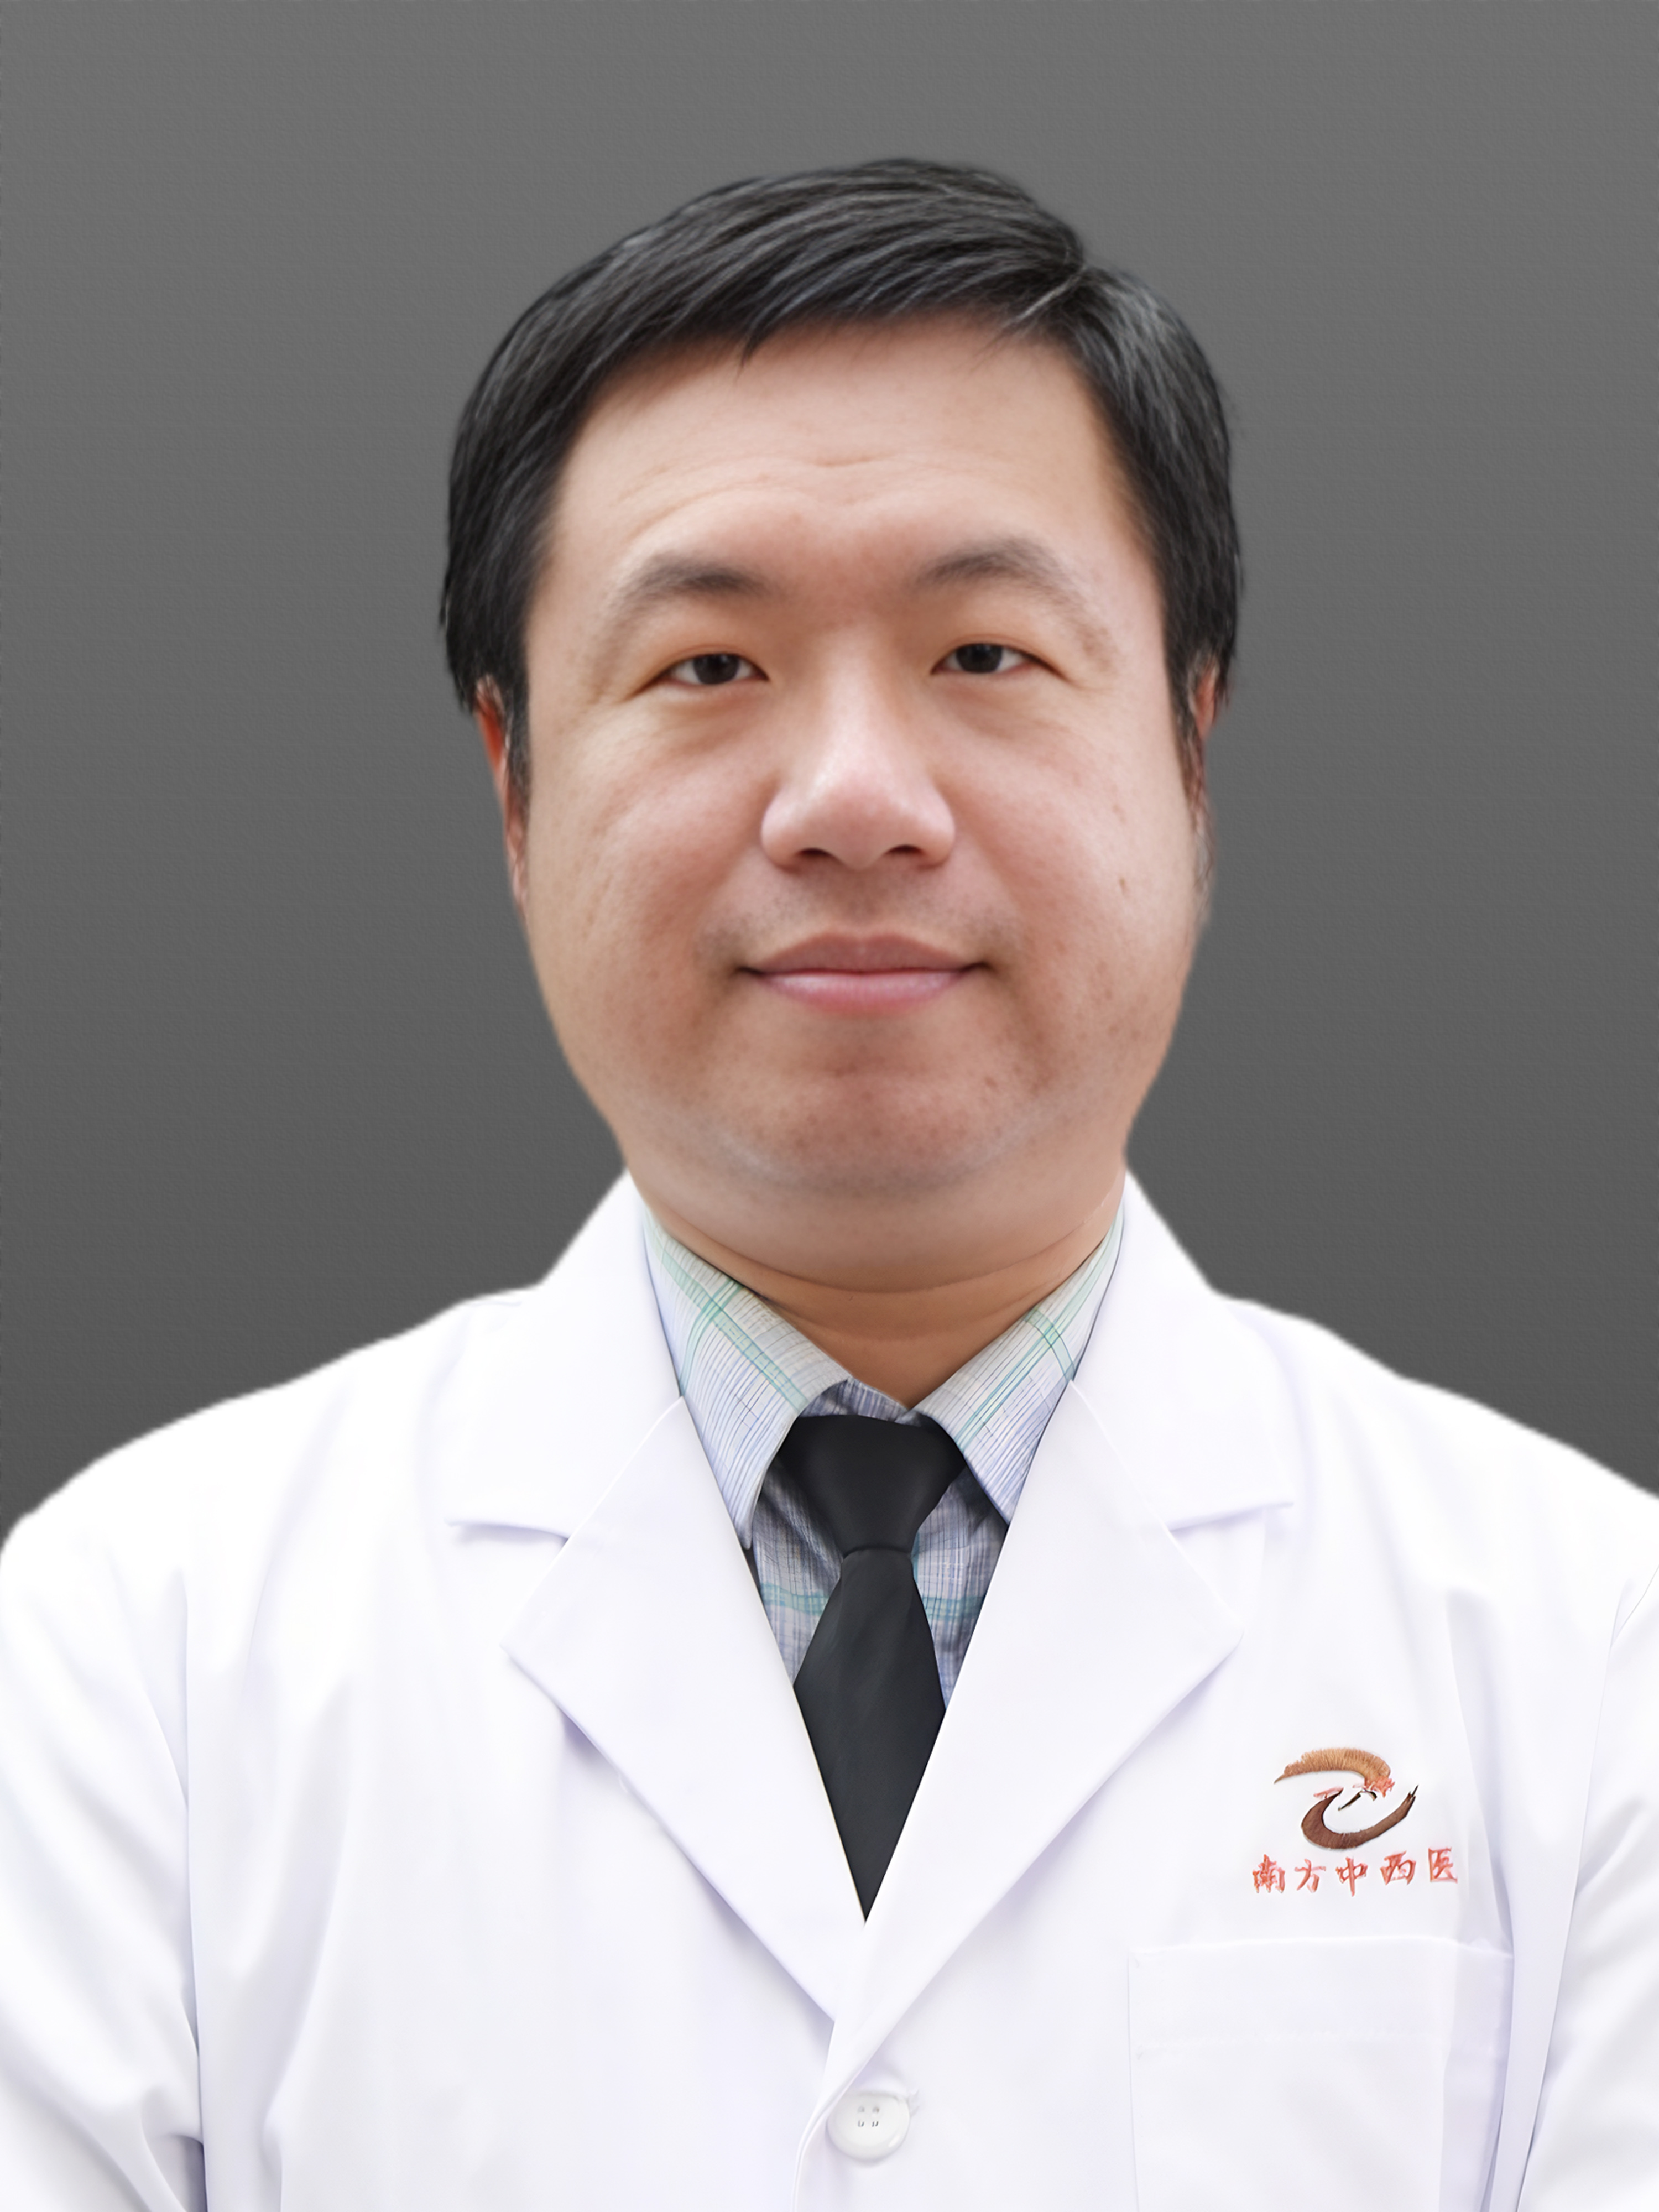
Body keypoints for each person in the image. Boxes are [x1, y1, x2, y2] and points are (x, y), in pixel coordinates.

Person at [0, 160, 1652, 2212]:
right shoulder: (130, 1657)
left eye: (985, 654)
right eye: (711, 667)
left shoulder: (1593, 1652)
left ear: (1192, 748)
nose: (856, 800)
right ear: (512, 785)